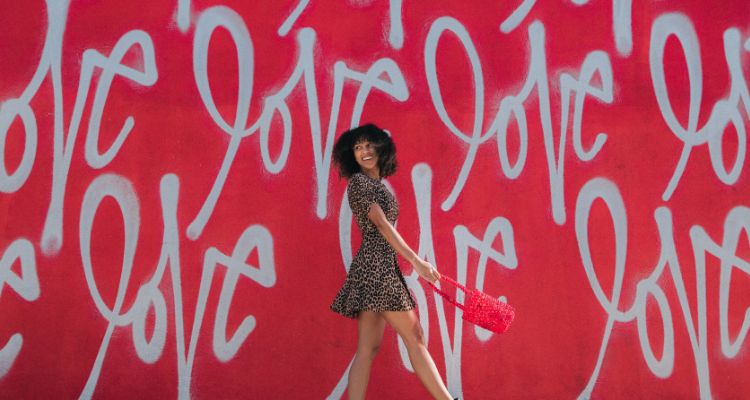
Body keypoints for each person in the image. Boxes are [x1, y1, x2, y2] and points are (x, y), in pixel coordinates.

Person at [330, 124, 454, 400]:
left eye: (368, 145)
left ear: (380, 147)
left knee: (368, 349)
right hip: (378, 269)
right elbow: (382, 225)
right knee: (415, 337)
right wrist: (417, 263)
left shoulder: (374, 184)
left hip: (374, 268)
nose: (363, 151)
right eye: (358, 147)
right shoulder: (361, 183)